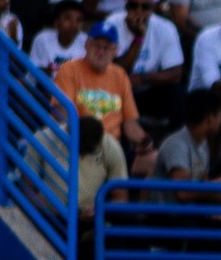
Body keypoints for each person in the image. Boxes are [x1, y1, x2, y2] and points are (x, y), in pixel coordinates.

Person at [54, 22, 154, 171]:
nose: (101, 51)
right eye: (96, 45)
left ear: (115, 51)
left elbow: (129, 123)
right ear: (86, 45)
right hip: (81, 143)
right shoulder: (69, 69)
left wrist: (144, 140)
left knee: (153, 159)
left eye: (107, 47)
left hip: (113, 147)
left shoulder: (120, 75)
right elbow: (60, 112)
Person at [114, 0, 186, 125]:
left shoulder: (166, 28)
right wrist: (138, 38)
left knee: (176, 92)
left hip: (149, 88)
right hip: (119, 90)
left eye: (145, 7)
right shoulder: (112, 25)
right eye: (133, 6)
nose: (138, 11)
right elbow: (116, 71)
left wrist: (143, 78)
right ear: (126, 6)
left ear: (152, 9)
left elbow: (176, 73)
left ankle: (175, 141)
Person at [30, 0, 88, 74]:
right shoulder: (43, 39)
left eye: (79, 20)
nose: (74, 25)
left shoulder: (86, 41)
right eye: (68, 19)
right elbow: (36, 74)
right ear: (56, 22)